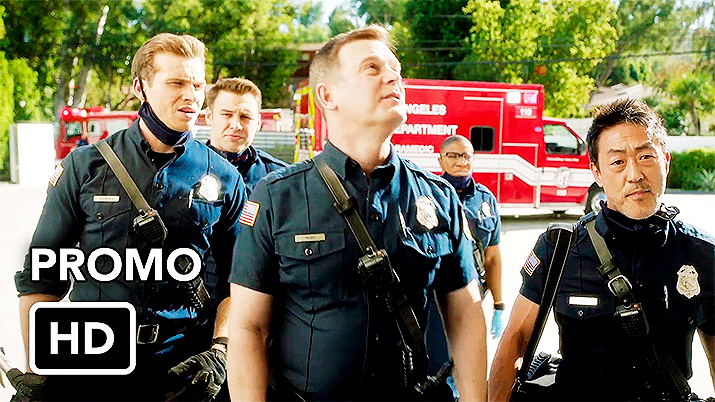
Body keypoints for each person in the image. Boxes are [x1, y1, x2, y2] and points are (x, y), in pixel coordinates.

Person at [227, 25, 487, 401]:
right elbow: (249, 328)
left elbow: (465, 316)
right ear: (327, 95)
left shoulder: (439, 197)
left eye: (396, 70)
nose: (393, 78)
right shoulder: (276, 197)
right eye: (372, 68)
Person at [14, 33, 246, 401]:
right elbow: (41, 279)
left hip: (183, 368)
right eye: (177, 83)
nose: (191, 95)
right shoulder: (84, 167)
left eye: (198, 85)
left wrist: (220, 351)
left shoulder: (225, 177)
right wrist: (37, 370)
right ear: (141, 88)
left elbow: (239, 283)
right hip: (91, 362)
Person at [489, 98, 715, 401]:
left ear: (665, 161)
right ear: (596, 172)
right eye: (618, 162)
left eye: (646, 157)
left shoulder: (702, 254)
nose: (634, 174)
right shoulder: (560, 248)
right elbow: (515, 341)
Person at [425, 135, 504, 383]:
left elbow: (493, 256)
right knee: (437, 369)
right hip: (435, 301)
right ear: (440, 160)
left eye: (467, 156)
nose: (461, 161)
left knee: (470, 369)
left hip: (473, 297)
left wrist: (499, 305)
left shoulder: (485, 199)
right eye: (453, 155)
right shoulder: (428, 195)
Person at [204, 77, 288, 194]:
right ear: (209, 116)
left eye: (245, 117)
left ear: (258, 122)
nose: (236, 125)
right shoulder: (184, 169)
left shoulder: (280, 179)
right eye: (227, 114)